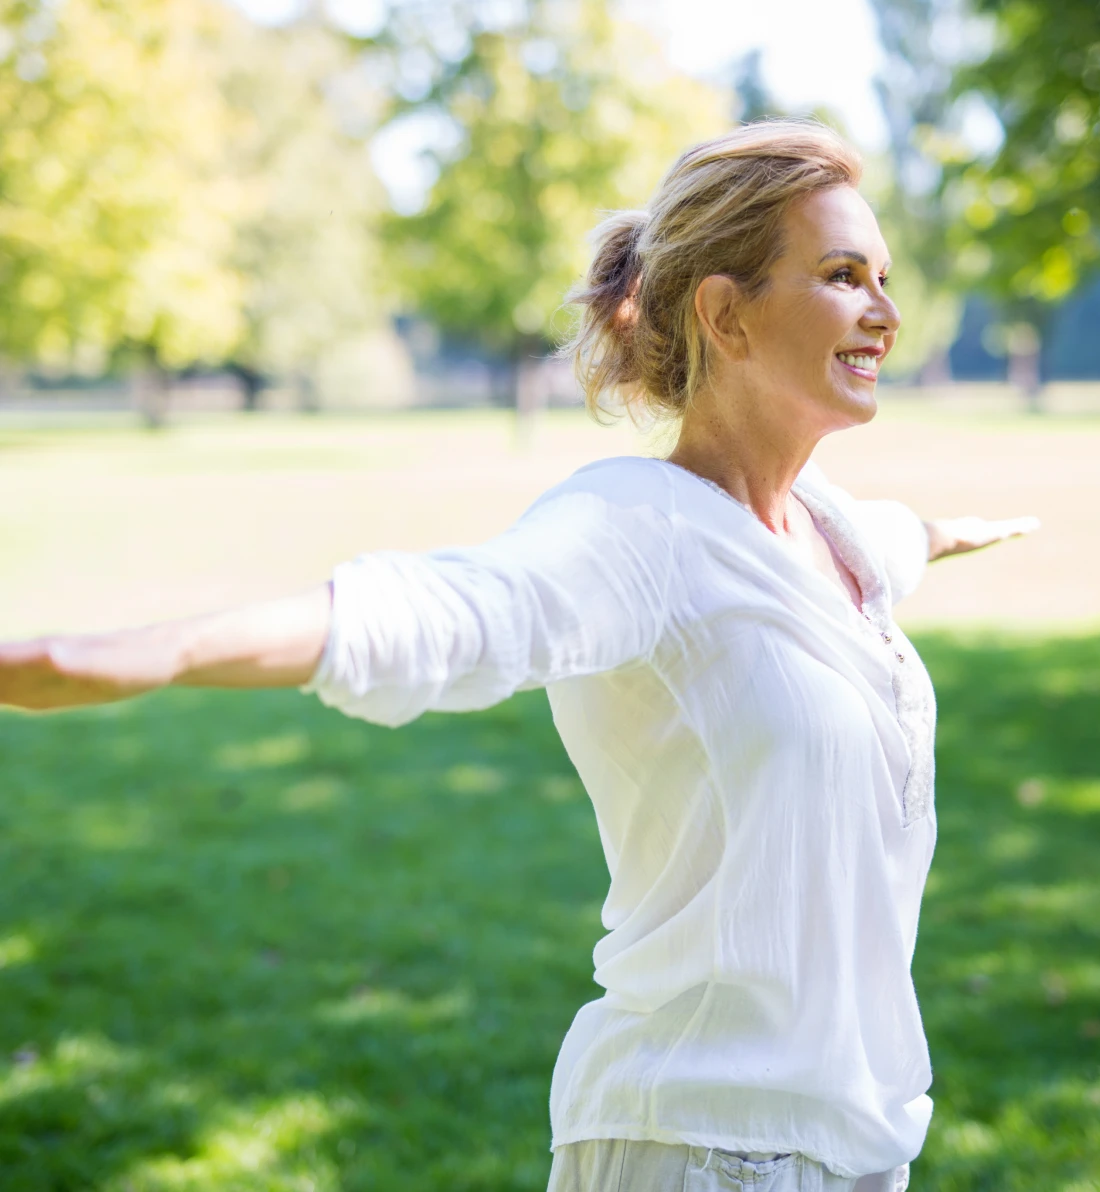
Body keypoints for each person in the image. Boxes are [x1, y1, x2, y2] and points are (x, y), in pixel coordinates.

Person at [0, 120, 1038, 1191]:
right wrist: (148, 652)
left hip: (860, 1143)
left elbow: (890, 540)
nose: (886, 309)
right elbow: (449, 612)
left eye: (882, 275)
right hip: (703, 1148)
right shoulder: (638, 529)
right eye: (841, 275)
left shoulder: (831, 529)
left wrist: (946, 532)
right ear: (725, 314)